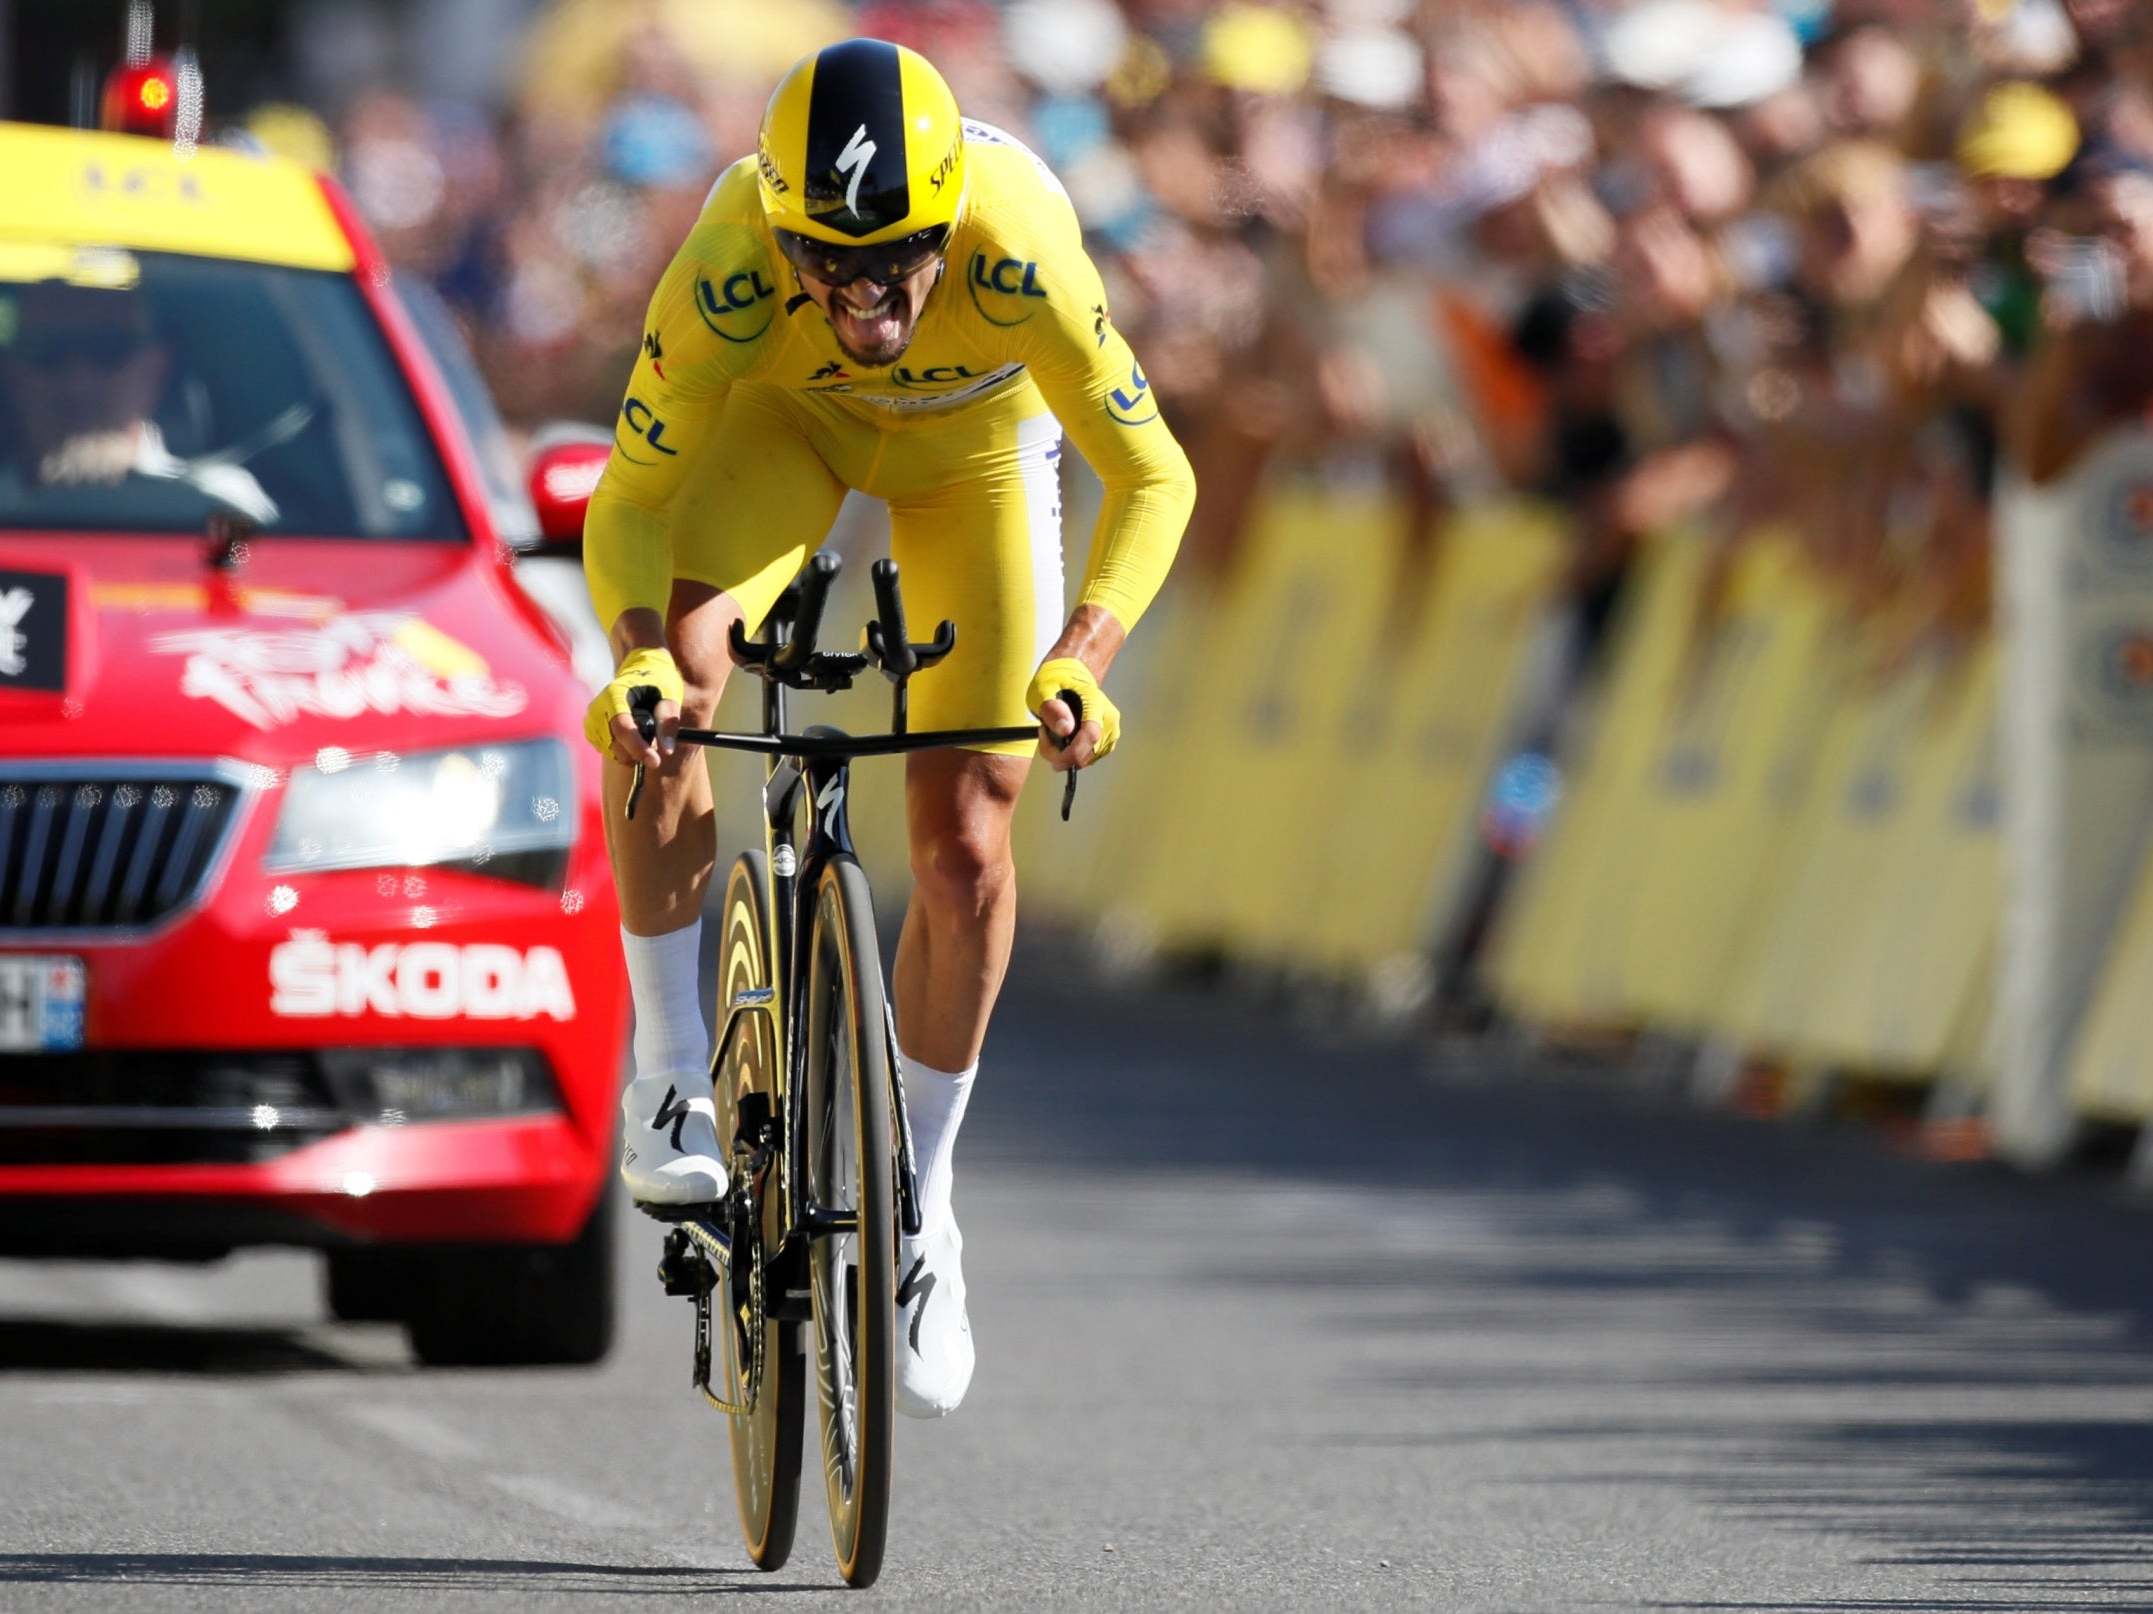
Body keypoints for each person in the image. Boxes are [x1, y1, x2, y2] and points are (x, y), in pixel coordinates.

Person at [580, 40, 1195, 1419]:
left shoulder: (1016, 241)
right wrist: (631, 663)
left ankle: (922, 1199)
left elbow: (1153, 471)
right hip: (785, 431)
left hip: (976, 451)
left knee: (969, 828)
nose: (863, 297)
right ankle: (672, 1075)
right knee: (667, 703)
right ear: (782, 230)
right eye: (827, 263)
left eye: (898, 260)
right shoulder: (731, 259)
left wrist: (1083, 658)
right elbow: (627, 502)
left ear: (947, 215)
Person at [0, 279, 276, 524]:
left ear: (157, 369)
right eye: (46, 352)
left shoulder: (222, 504)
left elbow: (250, 573)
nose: (78, 384)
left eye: (109, 351)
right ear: (11, 372)